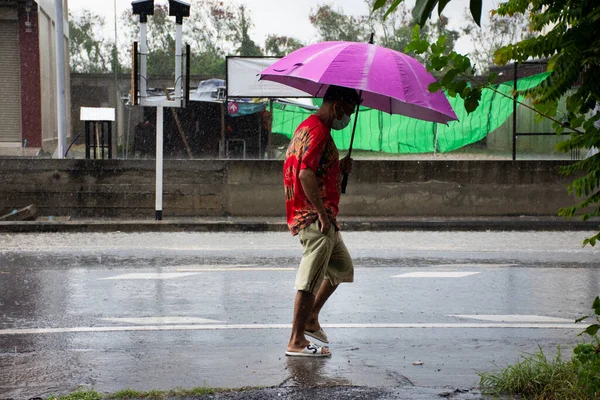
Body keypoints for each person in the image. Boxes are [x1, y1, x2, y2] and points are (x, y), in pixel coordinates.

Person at [283, 85, 360, 357]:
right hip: (315, 217)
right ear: (336, 105)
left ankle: (312, 316)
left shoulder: (308, 127)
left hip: (319, 215)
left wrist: (340, 167)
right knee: (311, 278)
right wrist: (322, 214)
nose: (347, 117)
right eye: (348, 110)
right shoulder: (318, 131)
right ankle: (296, 340)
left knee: (341, 266)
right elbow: (305, 175)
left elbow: (313, 167)